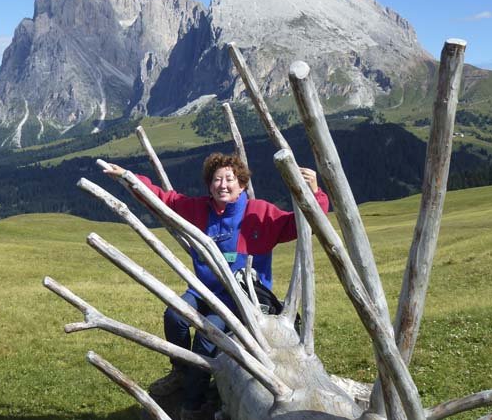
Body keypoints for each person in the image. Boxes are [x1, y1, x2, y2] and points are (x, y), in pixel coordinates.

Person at [103, 153, 329, 420]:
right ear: (209, 185)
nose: (223, 184)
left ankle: (192, 405)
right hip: (203, 291)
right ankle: (181, 371)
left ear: (242, 184)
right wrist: (129, 178)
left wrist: (316, 193)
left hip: (241, 298)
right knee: (174, 315)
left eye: (230, 179)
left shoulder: (261, 213)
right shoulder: (199, 210)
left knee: (206, 338)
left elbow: (303, 223)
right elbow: (164, 200)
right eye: (216, 179)